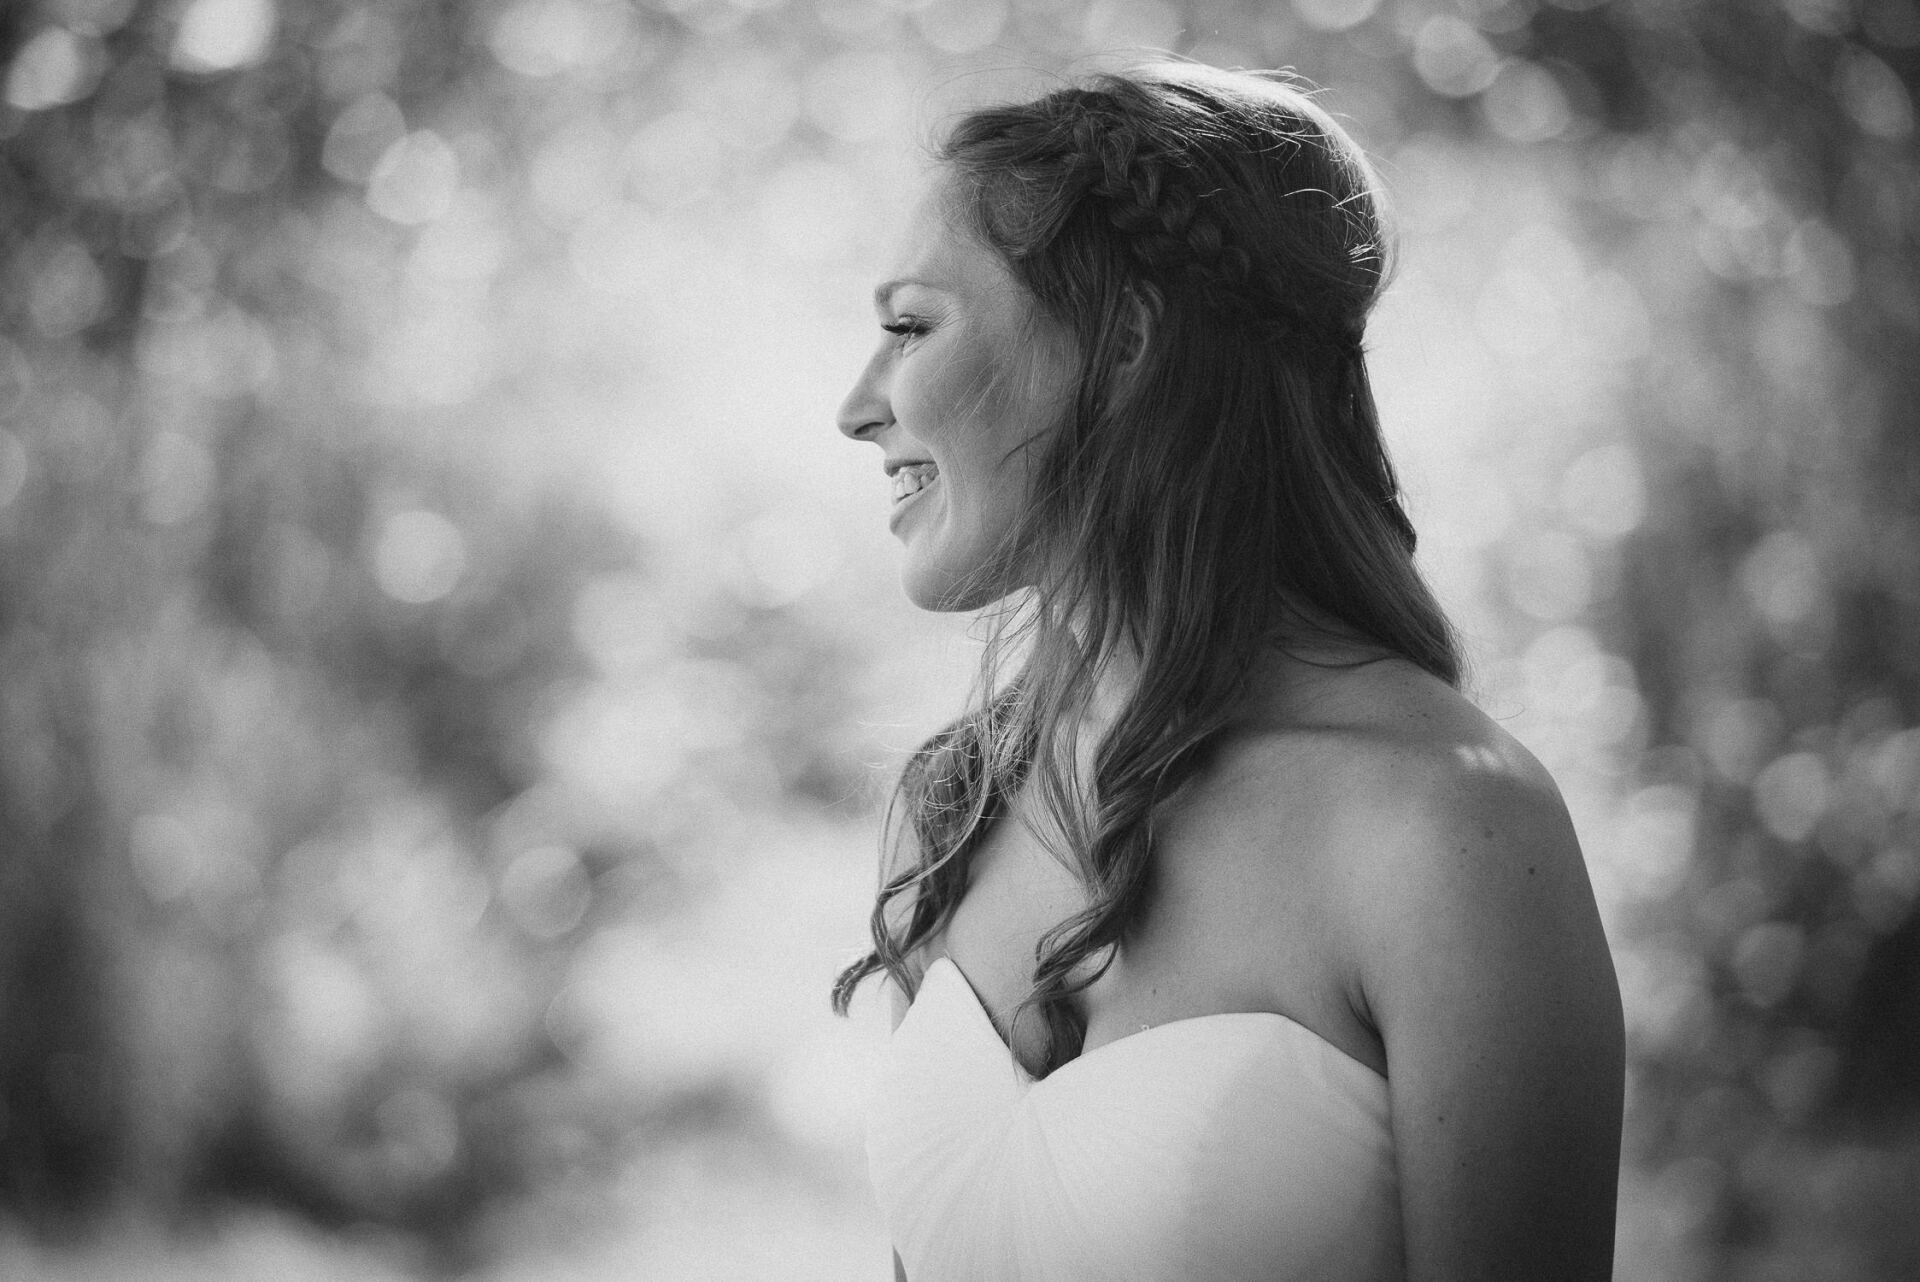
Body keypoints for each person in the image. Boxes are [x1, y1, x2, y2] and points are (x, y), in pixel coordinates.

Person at [831, 61, 1623, 1282]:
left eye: (909, 327)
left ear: (1124, 340)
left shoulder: (1450, 828)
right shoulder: (957, 807)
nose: (856, 408)